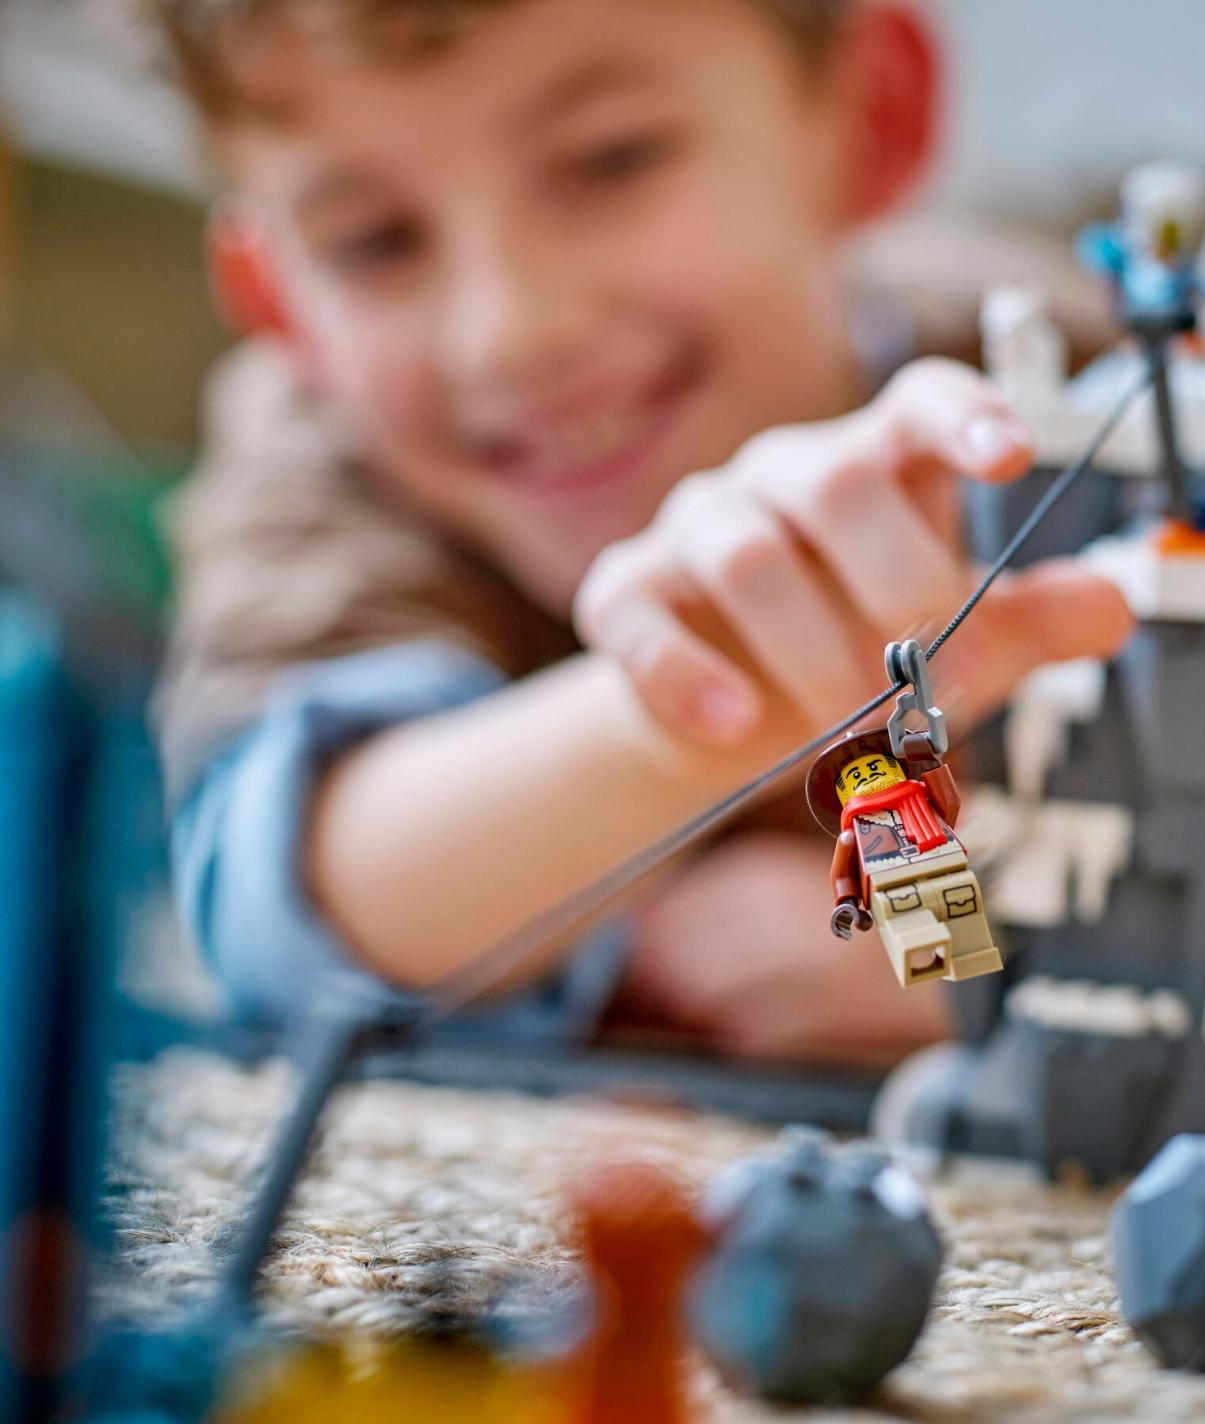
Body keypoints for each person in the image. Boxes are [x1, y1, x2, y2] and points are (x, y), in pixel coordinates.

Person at [147, 0, 1133, 1063]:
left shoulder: (1091, 395)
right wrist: (694, 710)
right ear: (275, 303)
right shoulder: (321, 466)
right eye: (374, 242)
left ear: (869, 115)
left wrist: (972, 964)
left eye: (610, 161)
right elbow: (285, 901)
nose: (511, 334)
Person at [809, 728, 999, 988]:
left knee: (963, 912)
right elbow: (843, 874)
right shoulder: (854, 833)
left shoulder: (923, 802)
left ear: (895, 768)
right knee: (910, 924)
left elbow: (950, 804)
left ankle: (973, 957)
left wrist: (930, 762)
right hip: (893, 884)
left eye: (875, 766)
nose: (870, 774)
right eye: (856, 775)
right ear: (844, 792)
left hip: (945, 867)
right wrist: (847, 903)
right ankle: (924, 963)